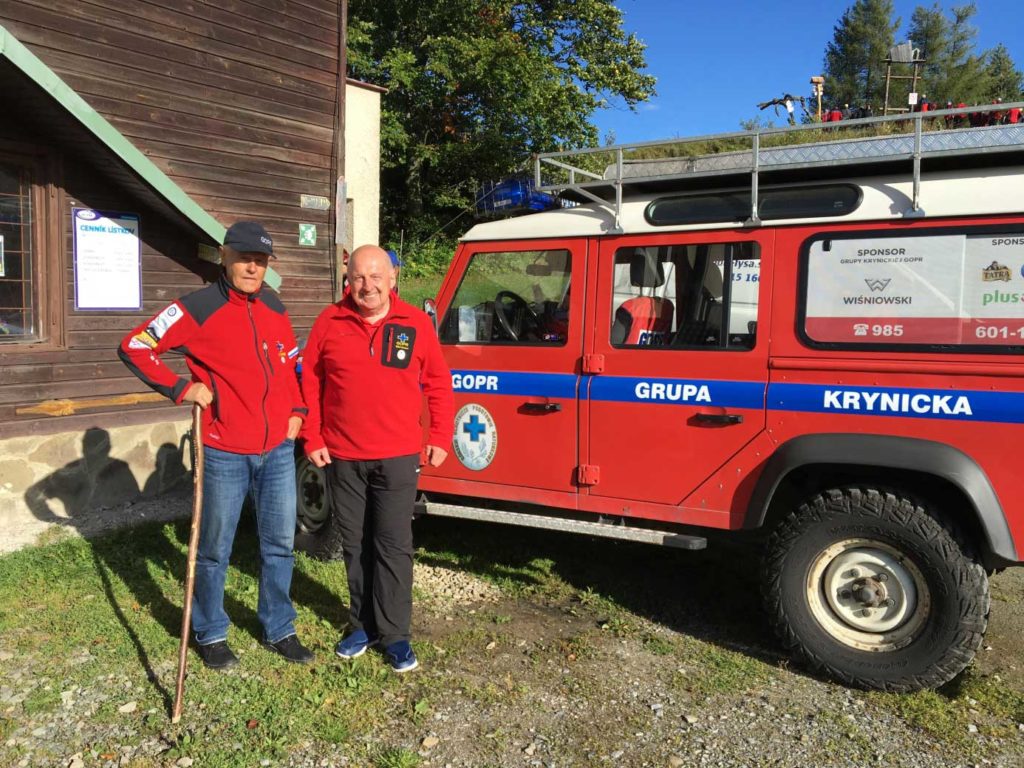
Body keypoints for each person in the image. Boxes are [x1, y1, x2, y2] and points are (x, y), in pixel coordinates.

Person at [118, 221, 313, 669]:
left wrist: (298, 412)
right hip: (224, 449)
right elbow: (136, 345)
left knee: (280, 544)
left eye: (261, 261)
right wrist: (180, 388)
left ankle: (279, 627)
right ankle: (210, 633)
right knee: (214, 548)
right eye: (245, 258)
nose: (252, 267)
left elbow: (288, 369)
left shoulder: (275, 306)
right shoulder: (197, 307)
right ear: (224, 257)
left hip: (277, 451)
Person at [300, 244, 454, 673]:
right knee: (356, 546)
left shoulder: (415, 324)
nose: (366, 286)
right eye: (358, 278)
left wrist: (439, 434)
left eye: (375, 277)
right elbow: (309, 381)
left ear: (392, 281)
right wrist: (312, 435)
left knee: (393, 546)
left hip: (399, 456)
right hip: (344, 456)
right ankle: (360, 626)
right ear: (348, 281)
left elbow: (439, 383)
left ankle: (396, 635)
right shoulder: (329, 322)